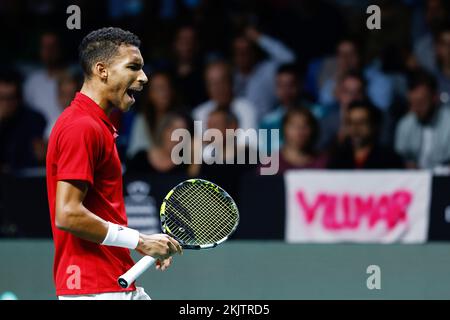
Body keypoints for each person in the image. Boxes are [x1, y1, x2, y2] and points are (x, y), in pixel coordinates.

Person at [46, 27, 182, 300]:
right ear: (102, 70)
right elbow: (68, 213)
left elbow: (96, 212)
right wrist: (140, 240)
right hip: (95, 289)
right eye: (133, 67)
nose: (143, 78)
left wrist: (141, 244)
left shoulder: (94, 124)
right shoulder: (81, 127)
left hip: (110, 282)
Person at [232, 26, 295, 117]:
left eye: (246, 51)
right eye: (238, 51)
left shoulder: (267, 70)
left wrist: (260, 39)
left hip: (267, 127)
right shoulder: (229, 76)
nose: (242, 56)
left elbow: (289, 59)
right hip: (239, 129)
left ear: (254, 51)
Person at [192, 61, 257, 146]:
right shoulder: (199, 113)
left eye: (222, 81)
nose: (218, 88)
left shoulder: (246, 109)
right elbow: (200, 150)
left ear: (231, 82)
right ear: (207, 87)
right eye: (213, 84)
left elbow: (248, 145)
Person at [395, 70, 450, 169]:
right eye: (412, 103)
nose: (416, 109)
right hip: (415, 181)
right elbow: (402, 158)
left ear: (434, 98)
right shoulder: (405, 124)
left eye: (421, 103)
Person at [328, 100, 404, 169]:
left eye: (361, 123)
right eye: (350, 123)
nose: (355, 128)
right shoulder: (338, 159)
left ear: (373, 125)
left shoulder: (389, 159)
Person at [126, 71, 182, 158]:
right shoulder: (142, 120)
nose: (164, 93)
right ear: (150, 95)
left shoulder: (181, 120)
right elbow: (135, 153)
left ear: (172, 91)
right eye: (158, 88)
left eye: (166, 87)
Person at [0, 68, 46, 172]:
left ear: (19, 98)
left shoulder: (34, 119)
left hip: (23, 182)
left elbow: (36, 158)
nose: (6, 104)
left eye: (10, 98)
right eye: (1, 98)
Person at [23, 31, 68, 137]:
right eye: (45, 47)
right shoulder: (32, 82)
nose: (49, 51)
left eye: (53, 46)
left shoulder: (74, 79)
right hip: (39, 142)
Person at [261, 107, 326, 175]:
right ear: (284, 129)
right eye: (294, 126)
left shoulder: (323, 162)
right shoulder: (270, 164)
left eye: (305, 126)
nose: (299, 132)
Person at [127, 111, 193, 175]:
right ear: (163, 131)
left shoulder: (186, 165)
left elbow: (193, 183)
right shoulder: (140, 159)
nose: (177, 138)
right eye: (173, 130)